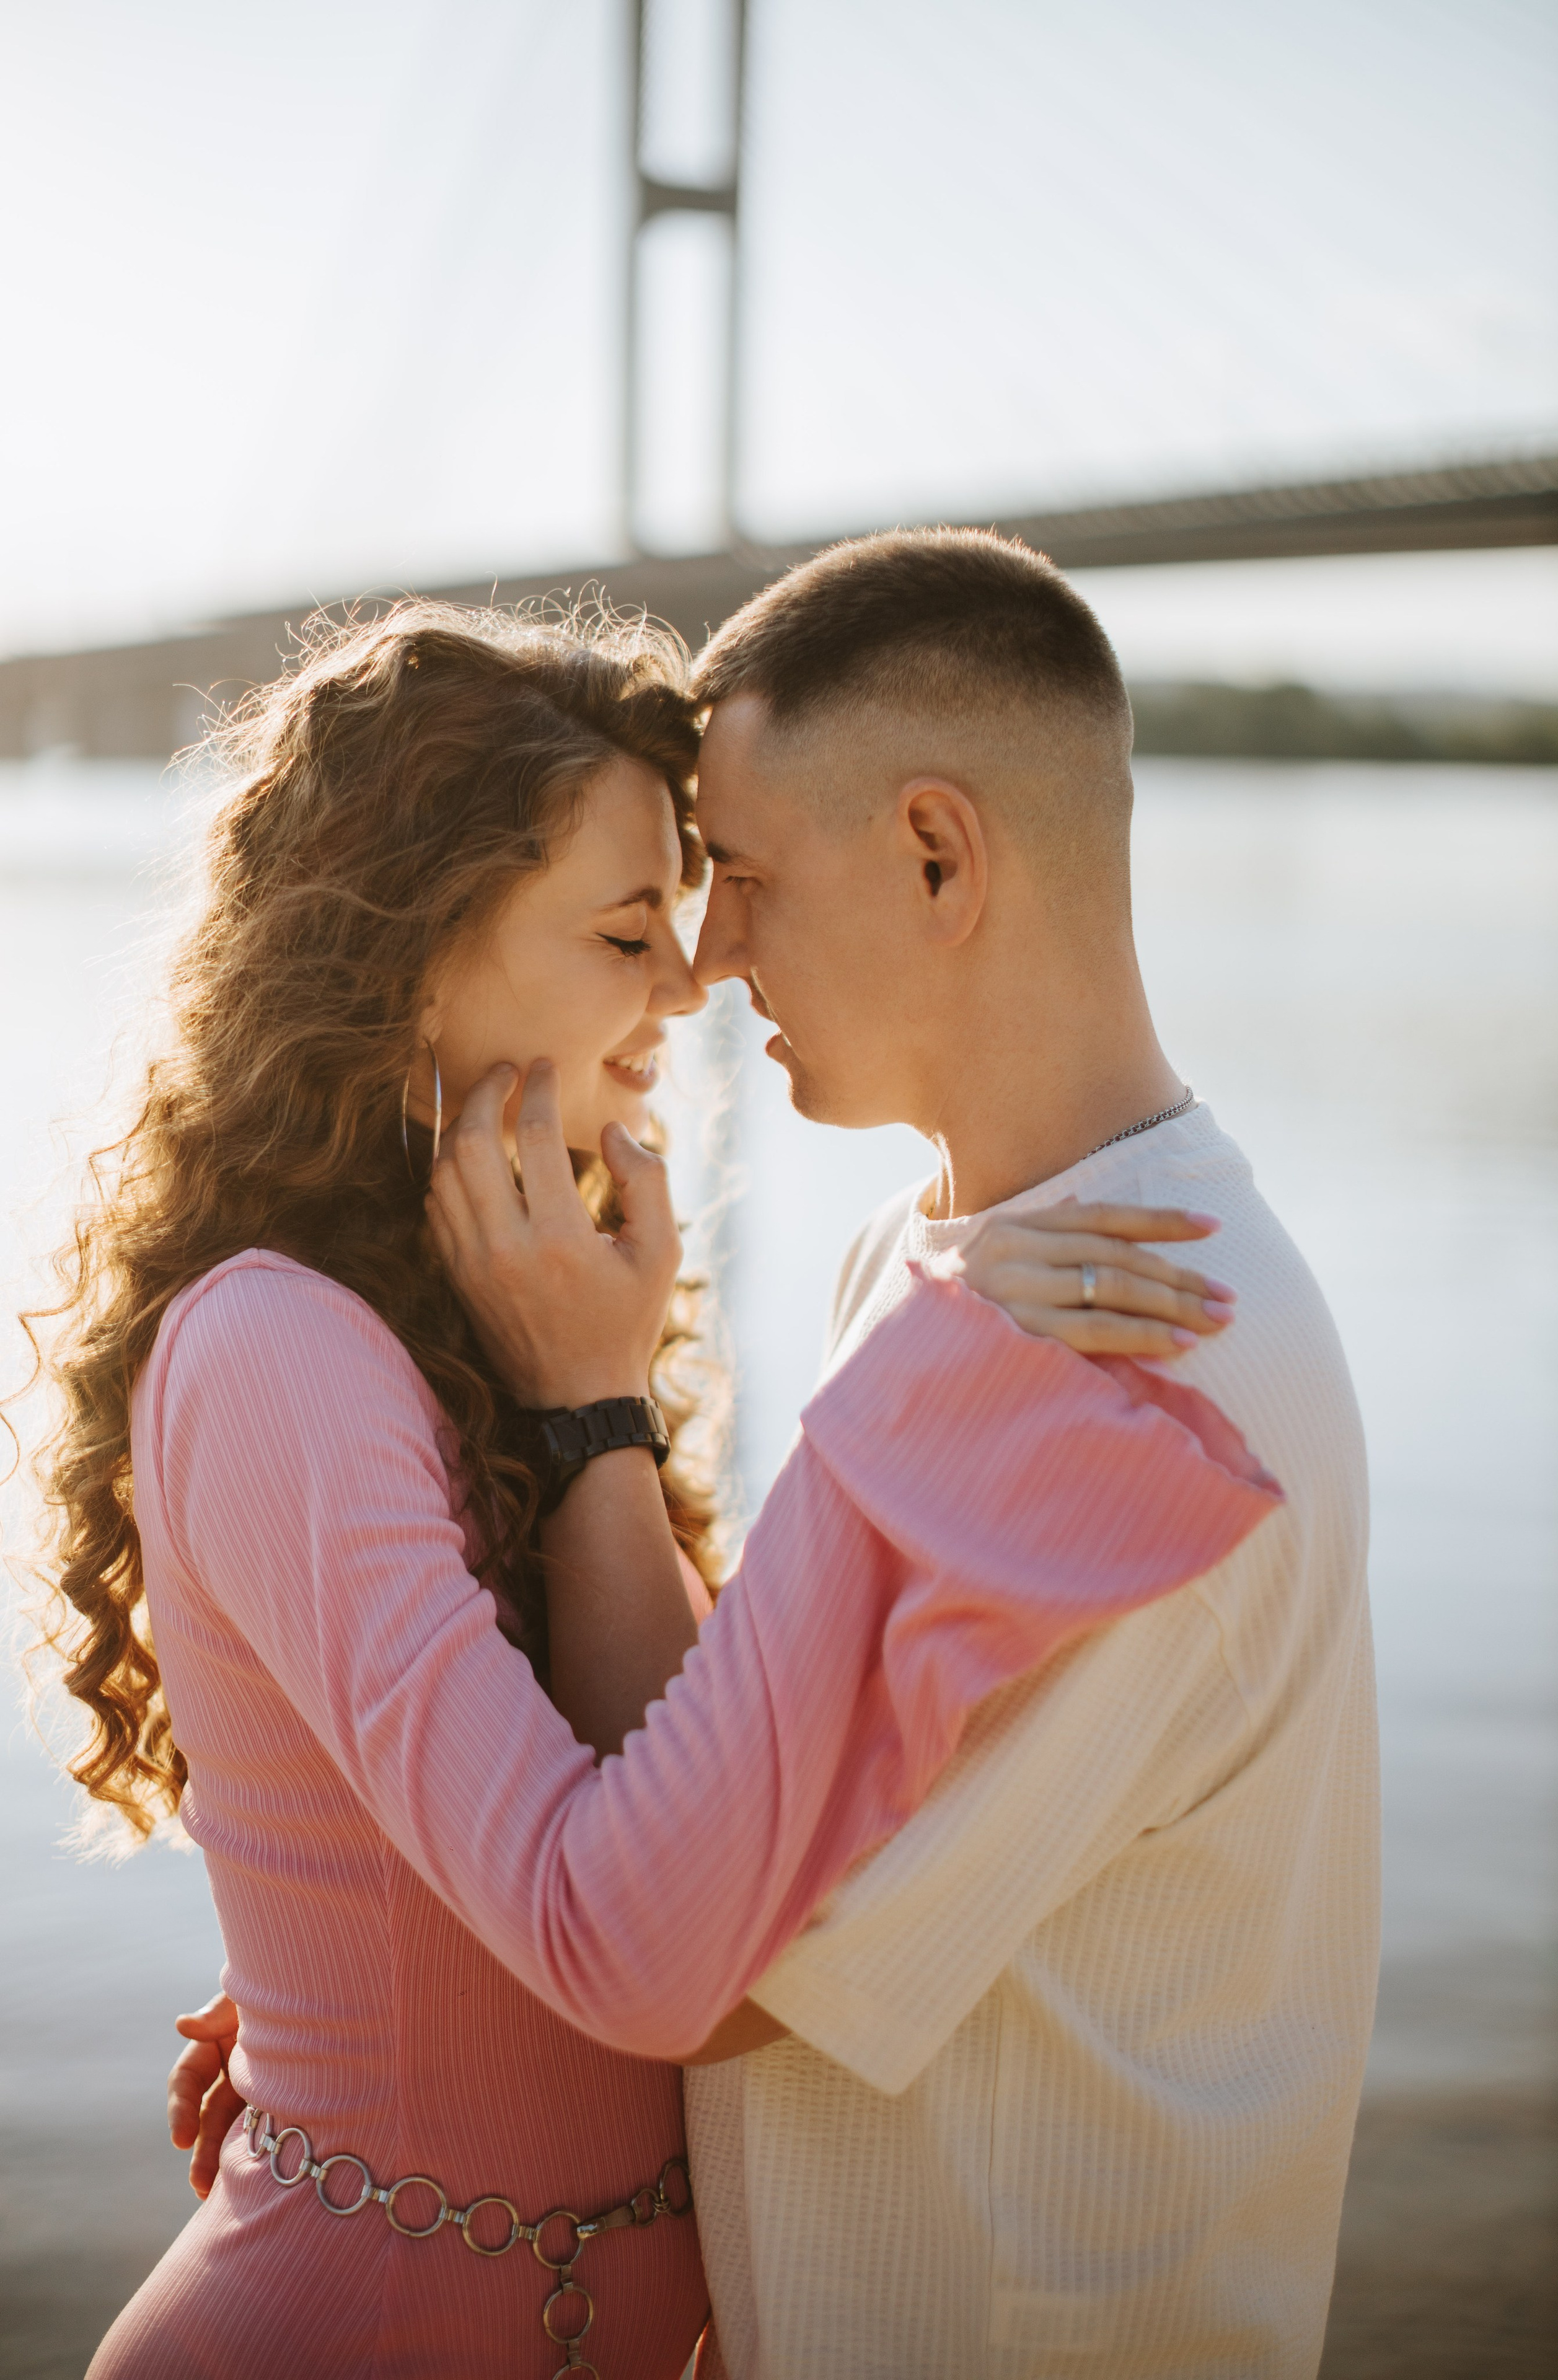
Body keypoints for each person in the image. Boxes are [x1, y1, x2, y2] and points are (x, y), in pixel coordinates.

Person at [26, 598, 1272, 2380]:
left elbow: (698, 1806)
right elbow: (634, 1942)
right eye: (628, 931)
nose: (691, 987)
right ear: (401, 957)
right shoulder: (275, 1348)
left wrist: (590, 1402)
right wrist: (915, 1396)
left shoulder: (512, 1320)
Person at [405, 529, 1376, 2378]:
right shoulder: (946, 1261)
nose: (701, 963)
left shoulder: (1136, 1352)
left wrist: (591, 1409)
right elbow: (741, 1738)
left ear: (939, 851)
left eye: (748, 877)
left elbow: (713, 1948)